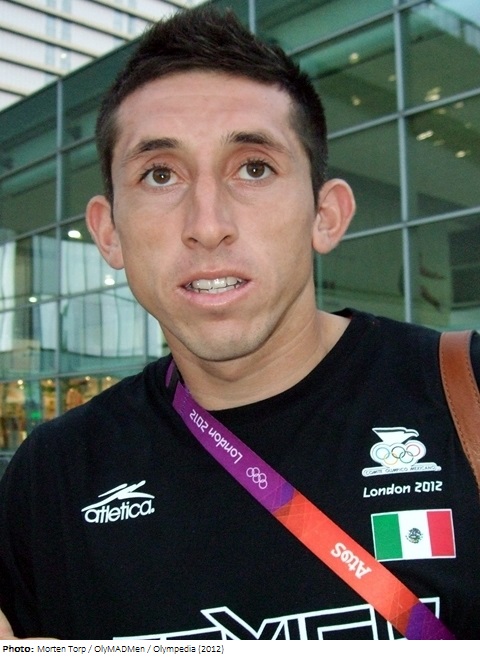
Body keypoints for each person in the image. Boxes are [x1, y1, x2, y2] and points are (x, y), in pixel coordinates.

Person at [1, 5, 479, 641]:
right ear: (109, 233)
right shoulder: (54, 477)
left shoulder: (467, 394)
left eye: (254, 168)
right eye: (160, 175)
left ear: (325, 215)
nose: (207, 224)